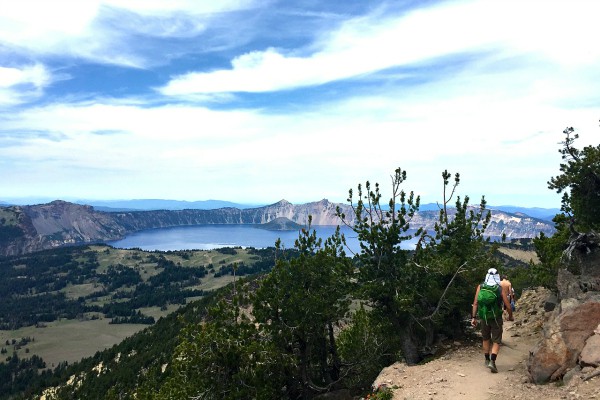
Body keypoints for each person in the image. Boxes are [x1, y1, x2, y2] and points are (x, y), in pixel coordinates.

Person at [471, 268, 513, 373]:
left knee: (485, 338)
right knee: (496, 340)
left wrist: (473, 317)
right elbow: (507, 305)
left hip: (484, 317)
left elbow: (475, 303)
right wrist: (510, 315)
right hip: (496, 317)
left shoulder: (480, 286)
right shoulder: (499, 289)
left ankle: (486, 359)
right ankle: (493, 361)